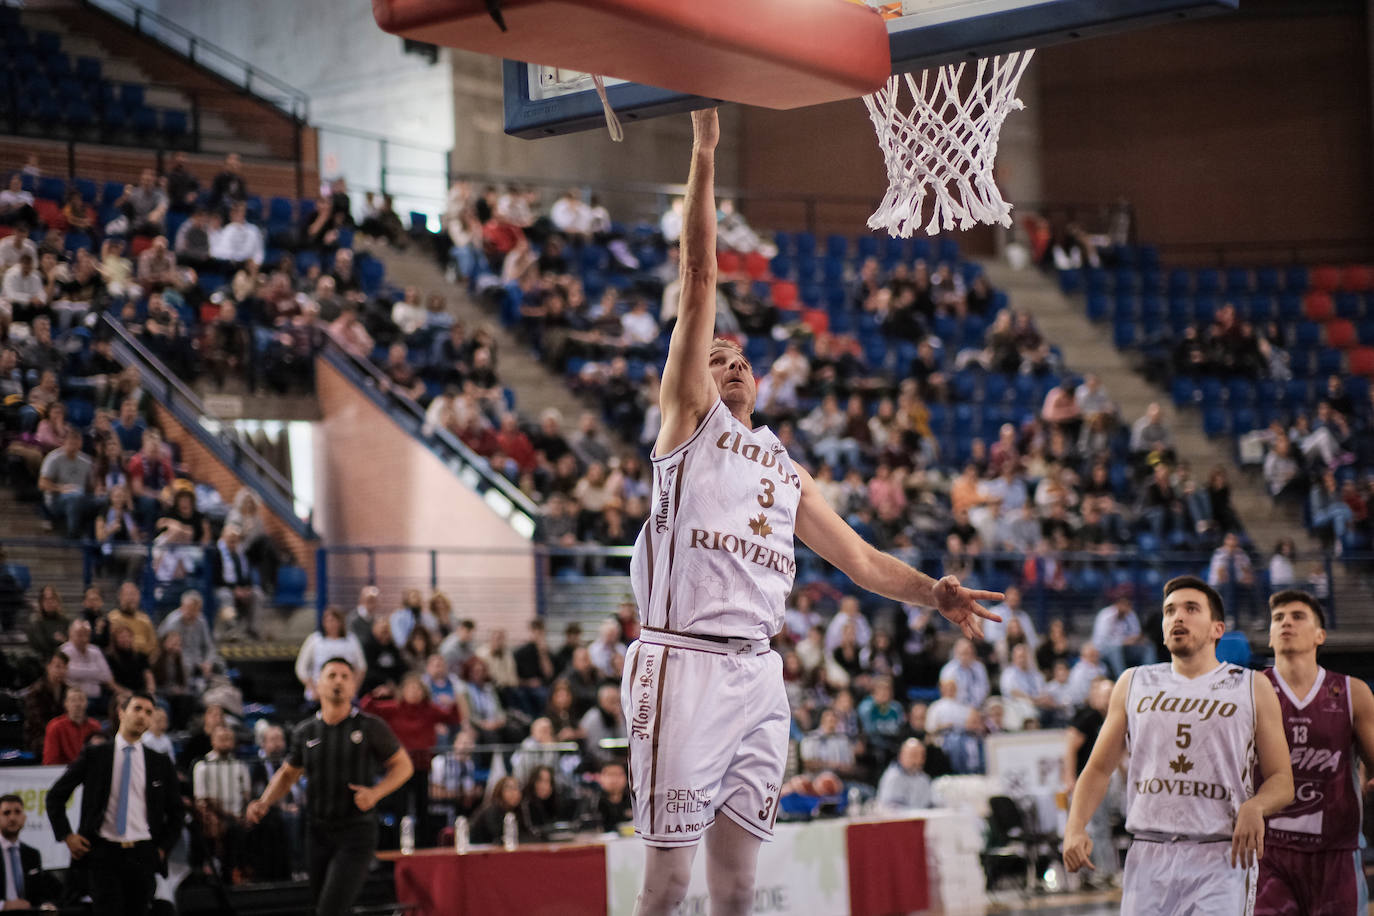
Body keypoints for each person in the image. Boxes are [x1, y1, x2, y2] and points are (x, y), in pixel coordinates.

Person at [622, 109, 1000, 916]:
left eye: (742, 360)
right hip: (682, 660)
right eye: (715, 355)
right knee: (665, 887)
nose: (729, 364)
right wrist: (703, 150)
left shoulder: (783, 466)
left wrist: (933, 592)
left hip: (758, 673)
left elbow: (862, 563)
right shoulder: (690, 422)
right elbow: (698, 279)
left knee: (737, 885)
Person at [1063, 577, 1293, 915]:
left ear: (1218, 628)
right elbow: (1098, 768)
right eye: (1169, 611)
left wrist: (1256, 806)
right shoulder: (1133, 682)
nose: (1177, 617)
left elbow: (1281, 779)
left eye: (1190, 609)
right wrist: (1074, 826)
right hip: (1148, 853)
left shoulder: (1252, 686)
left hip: (1220, 854)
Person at [245, 659, 413, 916]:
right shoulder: (305, 730)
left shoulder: (370, 726)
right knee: (326, 906)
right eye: (332, 675)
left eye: (345, 676)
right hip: (317, 831)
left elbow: (403, 766)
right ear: (317, 685)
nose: (338, 681)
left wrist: (376, 792)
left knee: (330, 910)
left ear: (353, 687)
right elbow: (288, 773)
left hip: (356, 832)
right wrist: (264, 802)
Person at [1254, 590, 1374, 916]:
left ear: (1320, 635)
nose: (1286, 623)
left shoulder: (1353, 692)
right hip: (1268, 852)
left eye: (1297, 616)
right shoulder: (1248, 691)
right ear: (1269, 636)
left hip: (1335, 851)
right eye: (1278, 619)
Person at [46, 691, 183, 916]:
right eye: (137, 709)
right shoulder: (95, 755)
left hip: (142, 853)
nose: (142, 716)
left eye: (149, 712)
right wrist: (67, 835)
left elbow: (176, 812)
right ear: (121, 713)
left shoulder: (160, 762)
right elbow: (55, 796)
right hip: (103, 852)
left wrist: (162, 849)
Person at [1062, 677, 1119, 884]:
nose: (1109, 698)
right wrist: (1070, 778)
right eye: (1105, 694)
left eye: (1111, 694)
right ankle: (1103, 872)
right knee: (1097, 826)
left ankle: (1093, 873)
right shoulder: (1089, 717)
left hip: (1101, 781)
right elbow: (1070, 744)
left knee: (1099, 826)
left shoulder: (1109, 717)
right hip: (1086, 782)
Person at [0, 793, 60, 910]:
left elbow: (39, 892)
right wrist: (3, 906)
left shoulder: (32, 854)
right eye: (6, 813)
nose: (12, 818)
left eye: (17, 812)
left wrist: (45, 905)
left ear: (24, 817)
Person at [43, 687, 102, 766]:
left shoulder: (95, 726)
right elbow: (50, 760)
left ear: (87, 703)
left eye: (81, 699)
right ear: (66, 703)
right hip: (62, 771)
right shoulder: (55, 726)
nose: (77, 704)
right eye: (73, 700)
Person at [875, 738, 933, 811]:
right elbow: (891, 809)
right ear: (901, 756)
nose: (918, 760)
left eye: (921, 755)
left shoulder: (924, 778)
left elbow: (930, 805)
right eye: (913, 755)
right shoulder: (893, 777)